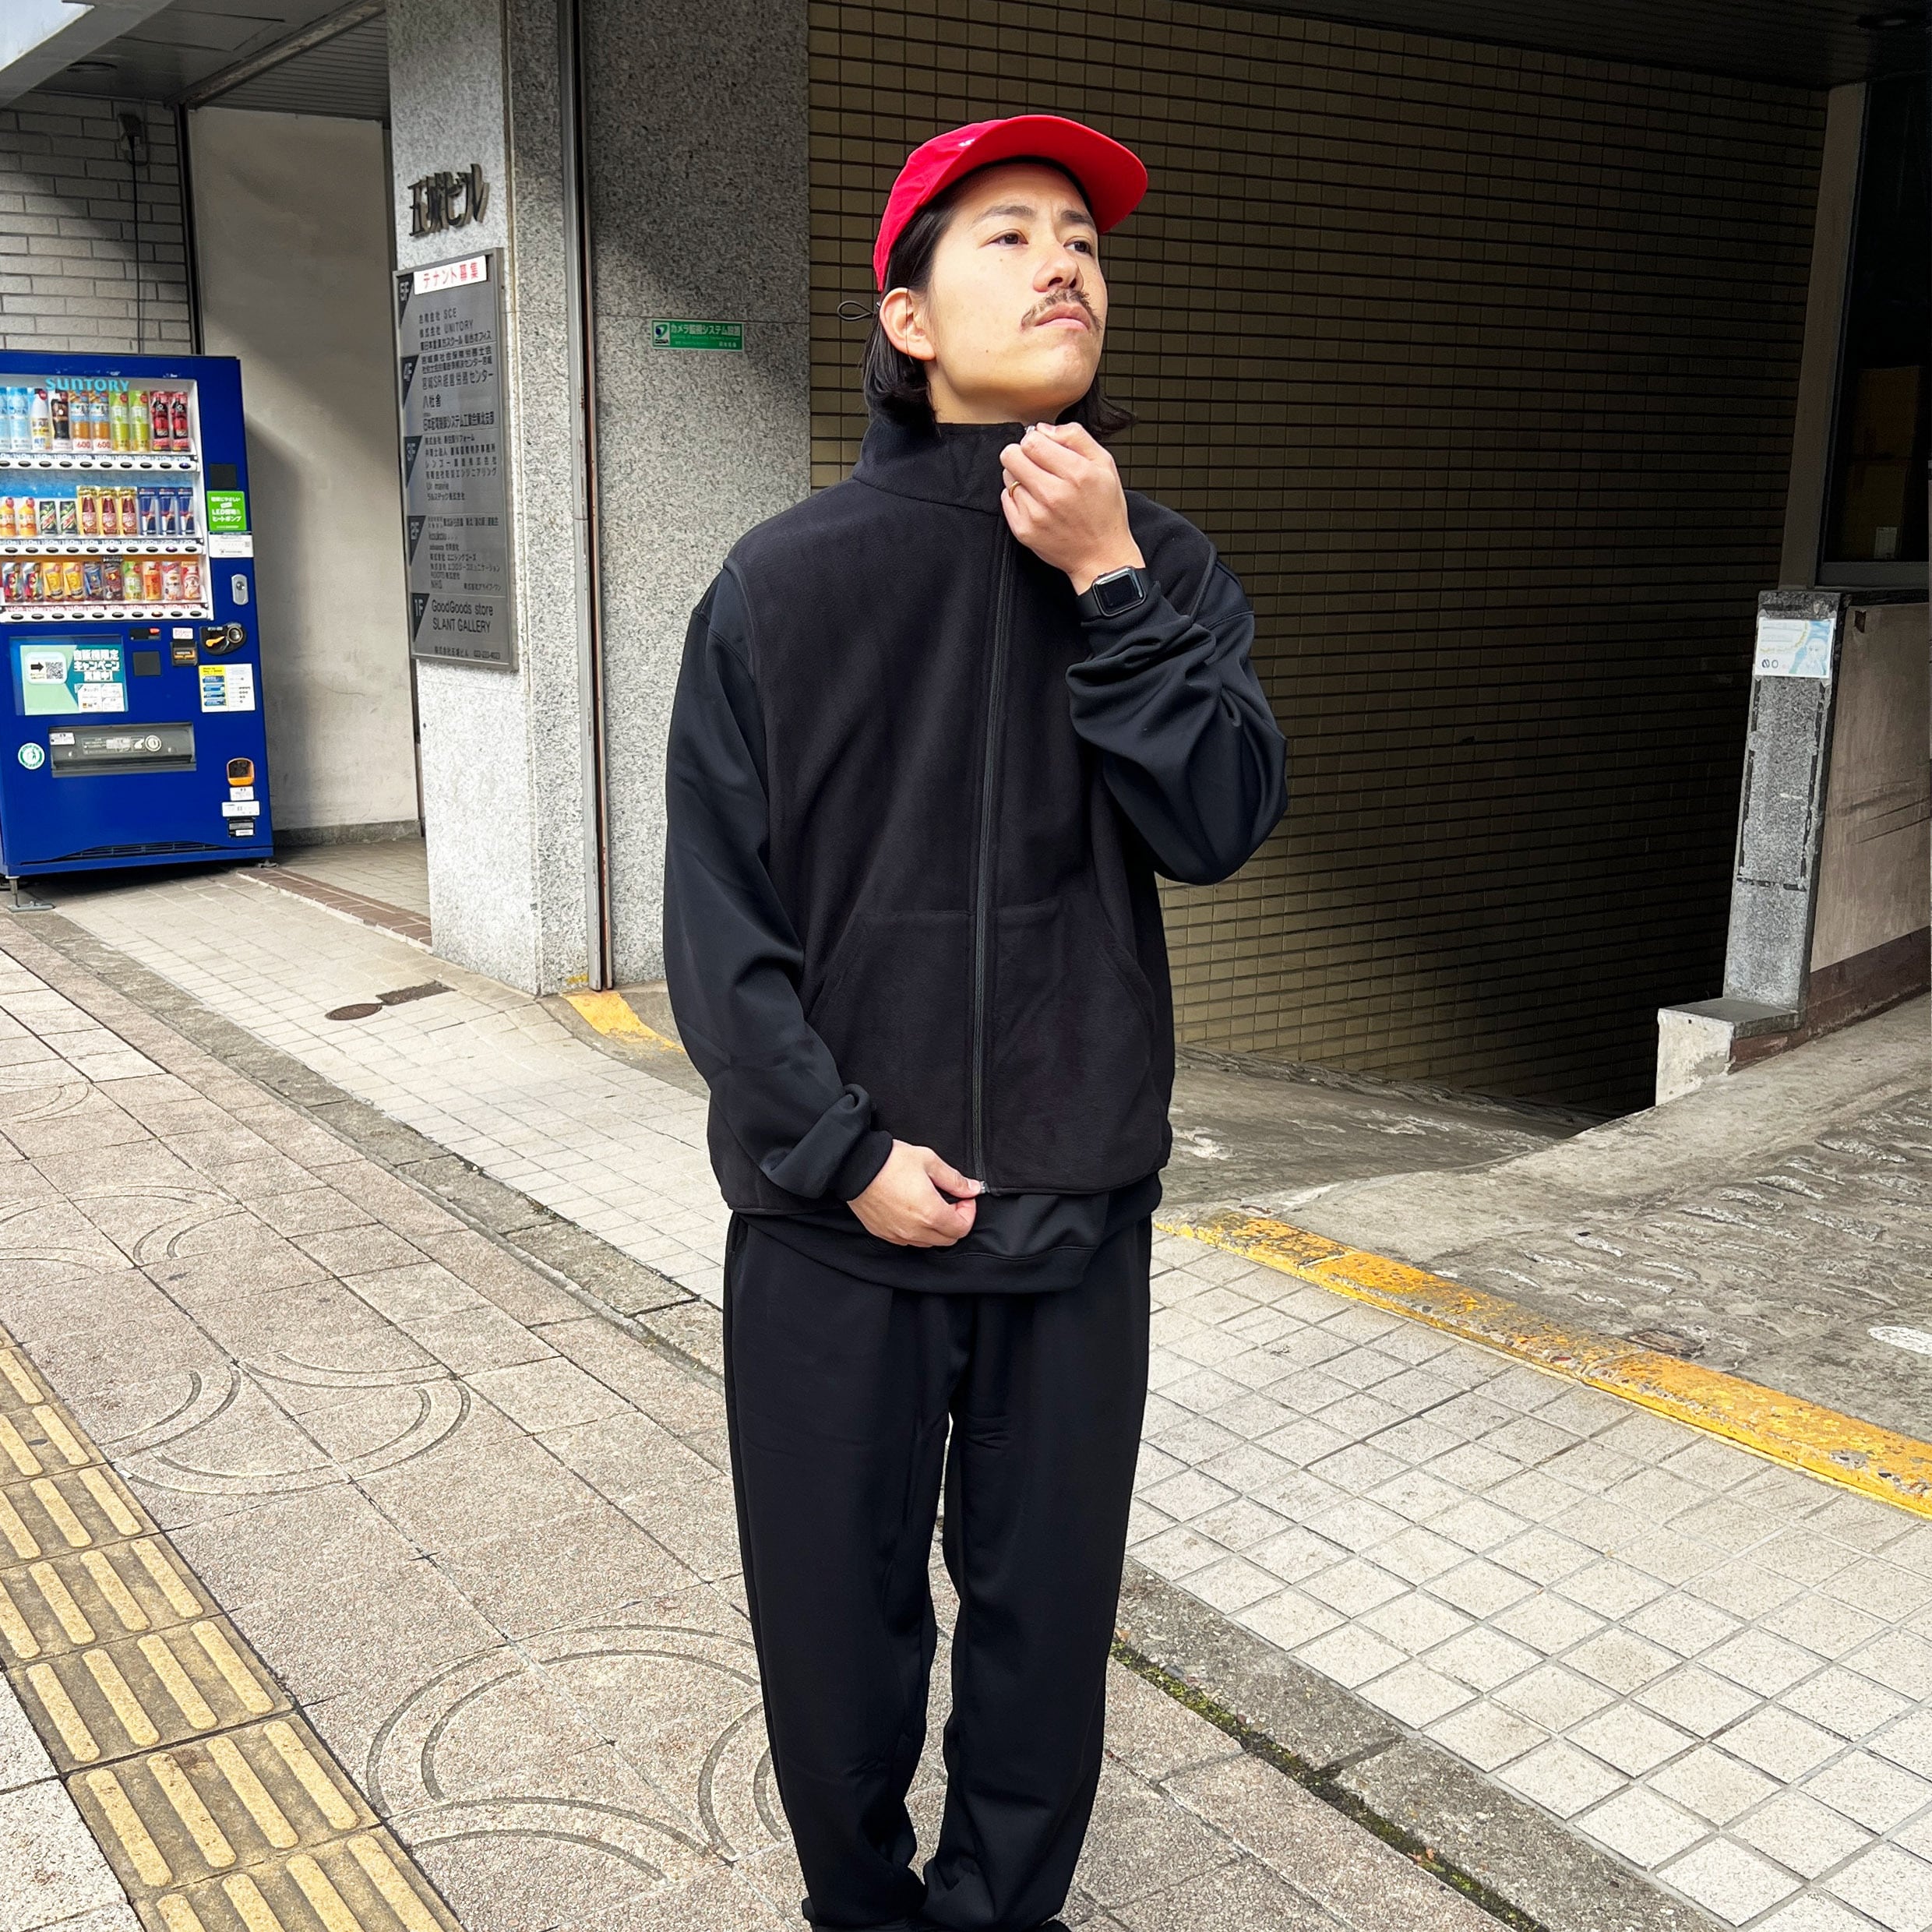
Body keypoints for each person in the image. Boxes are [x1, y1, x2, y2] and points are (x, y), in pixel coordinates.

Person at [664, 114, 1288, 1932]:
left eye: (1082, 237)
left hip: (1072, 1213)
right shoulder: (783, 581)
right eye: (1008, 233)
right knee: (833, 1635)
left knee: (1043, 1637)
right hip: (833, 1230)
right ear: (909, 318)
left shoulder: (1164, 568)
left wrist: (1109, 582)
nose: (1063, 261)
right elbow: (720, 924)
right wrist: (839, 1149)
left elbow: (1218, 821)